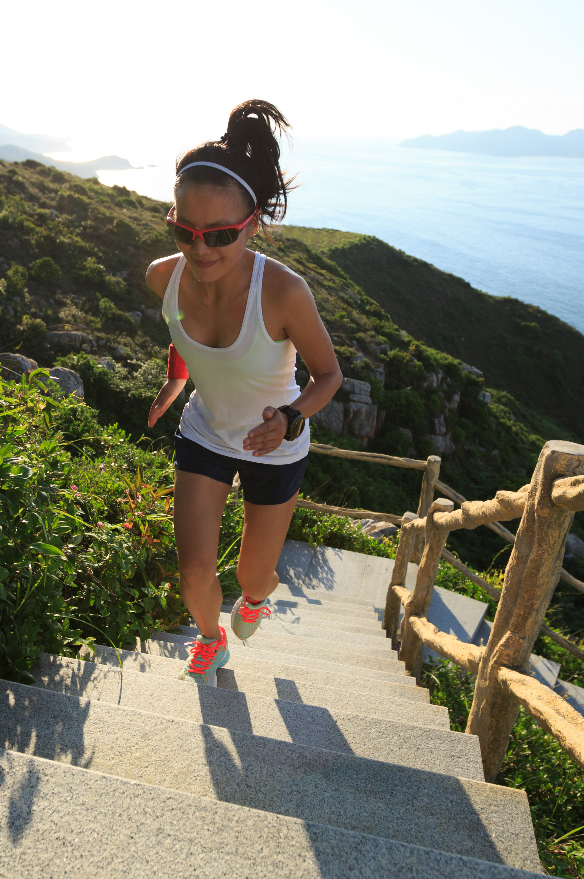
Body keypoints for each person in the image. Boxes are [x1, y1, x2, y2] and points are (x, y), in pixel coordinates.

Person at [144, 100, 343, 685]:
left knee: (252, 576)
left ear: (252, 223)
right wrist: (177, 380)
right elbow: (183, 331)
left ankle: (257, 598)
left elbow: (329, 375)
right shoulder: (164, 276)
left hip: (274, 445)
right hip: (206, 432)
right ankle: (211, 640)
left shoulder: (283, 292)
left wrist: (291, 416)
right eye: (186, 232)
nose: (200, 250)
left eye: (220, 235)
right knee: (192, 574)